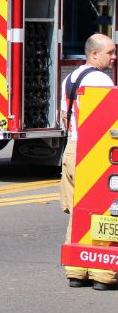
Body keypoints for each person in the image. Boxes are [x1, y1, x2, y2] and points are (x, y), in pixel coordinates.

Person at [60, 32, 117, 290]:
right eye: (111, 53)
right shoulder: (100, 81)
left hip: (72, 149)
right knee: (102, 212)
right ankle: (102, 274)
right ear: (95, 54)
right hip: (94, 155)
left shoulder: (70, 78)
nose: (114, 58)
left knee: (77, 212)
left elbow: (64, 116)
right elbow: (107, 124)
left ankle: (76, 271)